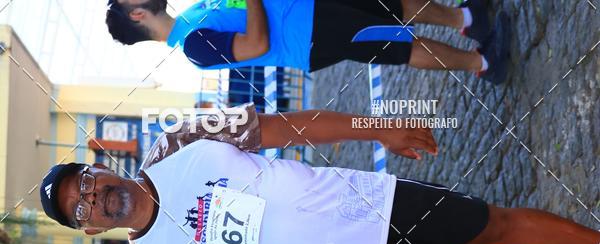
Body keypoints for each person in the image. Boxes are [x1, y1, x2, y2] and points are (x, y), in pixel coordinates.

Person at [38, 105, 600, 244]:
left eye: (85, 181)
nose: (92, 197)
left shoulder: (180, 138)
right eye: (79, 209)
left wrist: (379, 130)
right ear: (88, 231)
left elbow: (289, 127)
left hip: (373, 205)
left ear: (101, 165)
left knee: (491, 223)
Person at [105, 0, 511, 84]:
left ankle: (468, 19)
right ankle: (483, 65)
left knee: (392, 6)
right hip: (312, 36)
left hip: (311, 9)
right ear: (137, 16)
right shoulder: (192, 46)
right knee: (398, 44)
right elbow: (255, 44)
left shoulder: (191, 14)